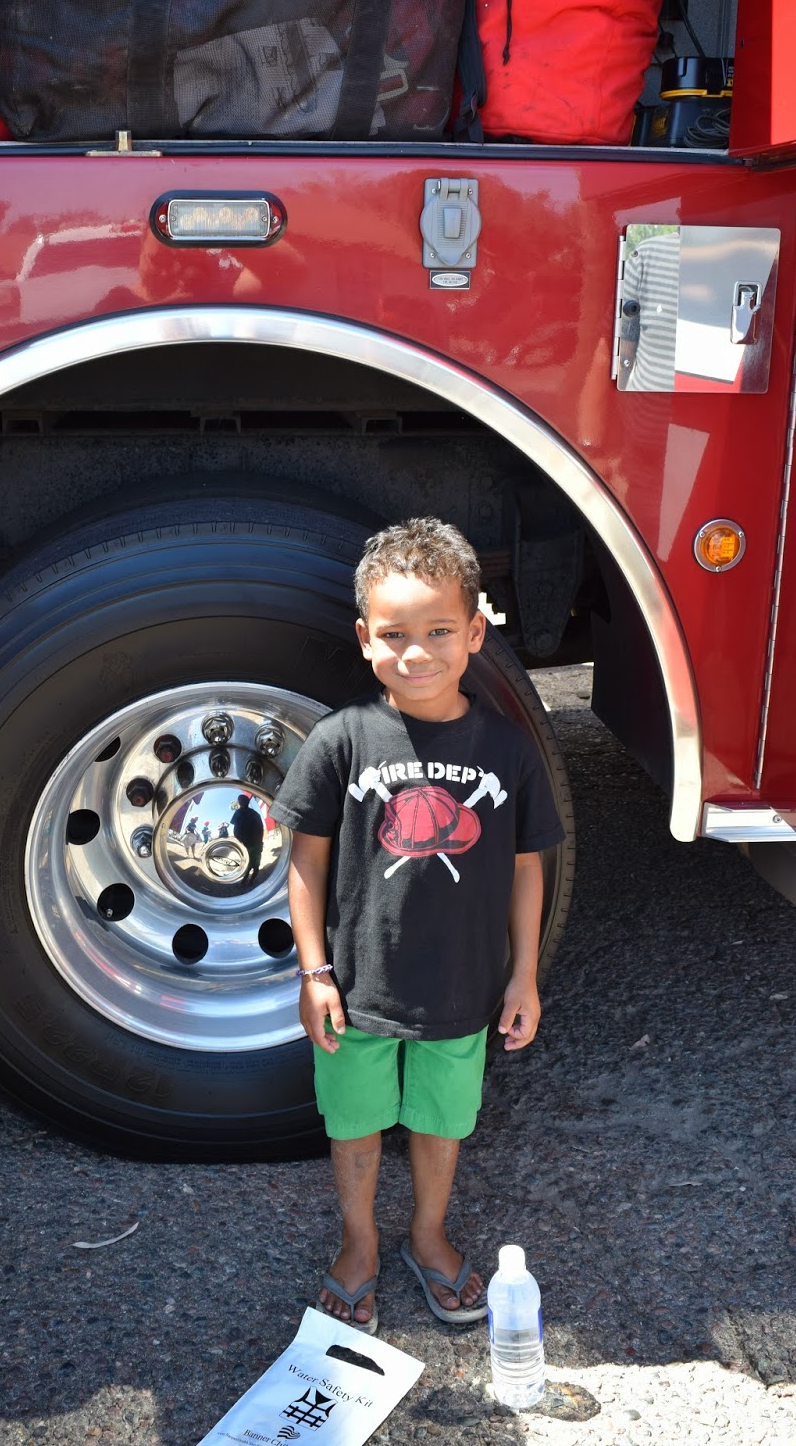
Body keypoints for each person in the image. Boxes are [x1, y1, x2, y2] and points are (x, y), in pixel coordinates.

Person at [270, 518, 564, 1335]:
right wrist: (314, 973)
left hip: (463, 990)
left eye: (439, 631)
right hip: (358, 988)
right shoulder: (341, 740)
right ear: (365, 638)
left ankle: (427, 1235)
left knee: (442, 1121)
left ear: (475, 630)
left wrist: (523, 974)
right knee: (356, 1125)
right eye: (395, 635)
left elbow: (527, 866)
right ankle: (359, 1244)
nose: (417, 653)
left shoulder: (507, 748)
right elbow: (306, 863)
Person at [230, 792, 265, 883]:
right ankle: (250, 880)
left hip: (246, 843)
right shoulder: (255, 814)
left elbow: (236, 829)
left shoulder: (238, 812)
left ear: (239, 802)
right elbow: (260, 828)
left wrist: (240, 840)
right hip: (256, 843)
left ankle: (244, 881)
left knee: (247, 862)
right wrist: (260, 842)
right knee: (255, 863)